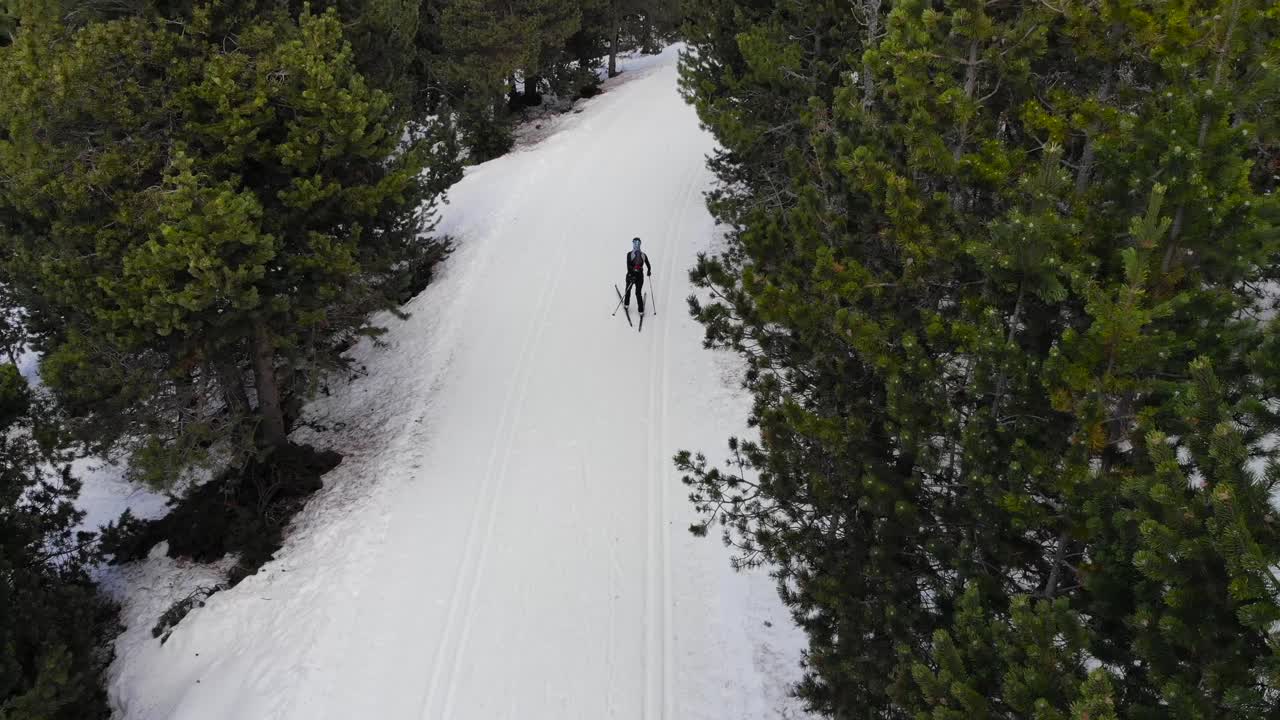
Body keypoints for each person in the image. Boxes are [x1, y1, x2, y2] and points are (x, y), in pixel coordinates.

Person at [624, 237, 652, 314]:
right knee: (635, 292)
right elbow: (648, 265)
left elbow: (629, 266)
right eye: (635, 243)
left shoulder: (632, 254)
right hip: (635, 276)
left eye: (638, 243)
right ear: (633, 243)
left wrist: (649, 271)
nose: (636, 245)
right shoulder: (642, 255)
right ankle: (638, 309)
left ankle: (629, 305)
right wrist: (649, 271)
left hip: (634, 276)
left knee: (633, 291)